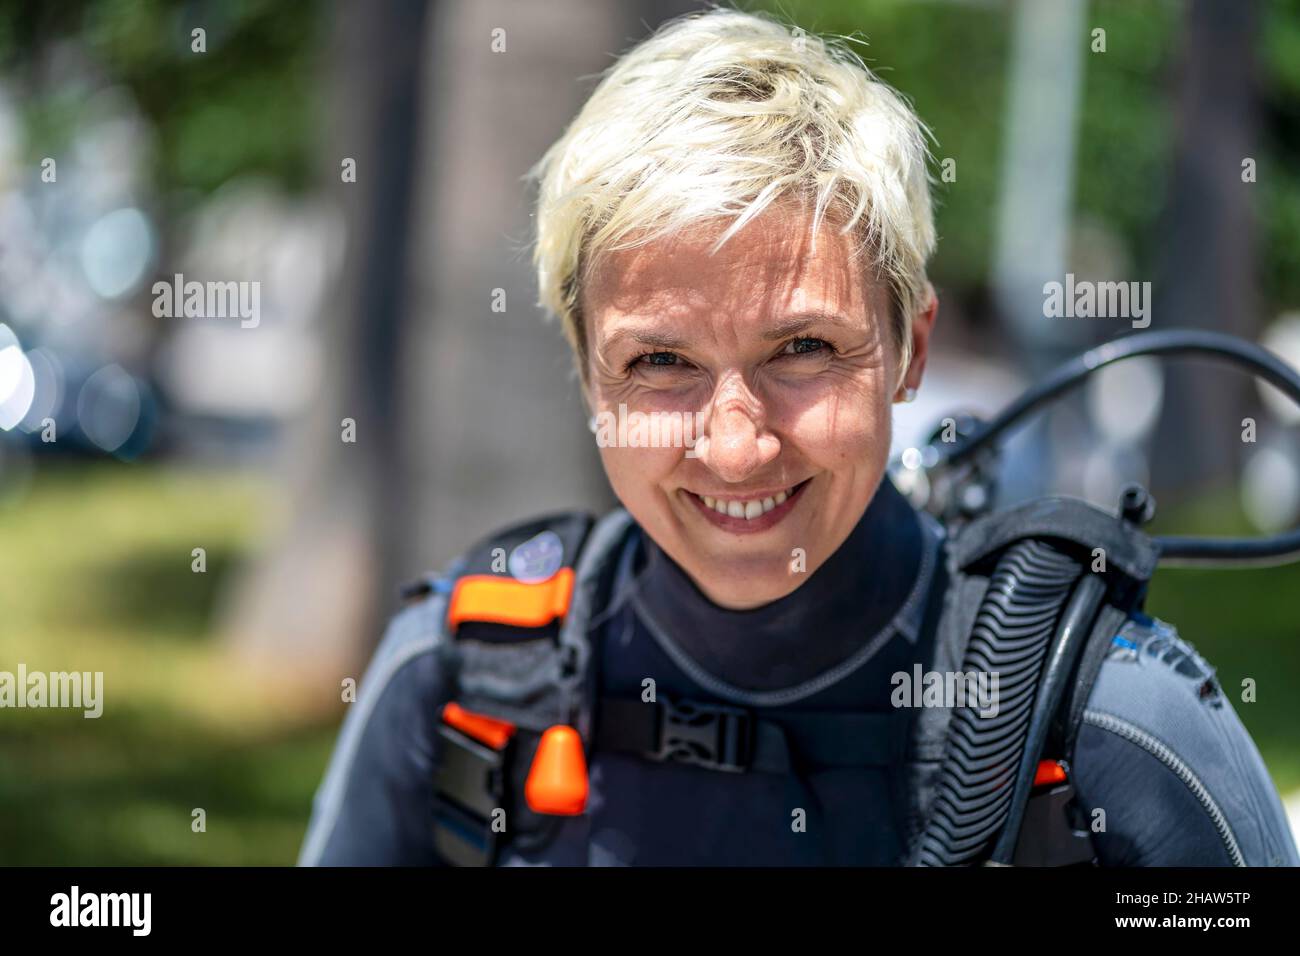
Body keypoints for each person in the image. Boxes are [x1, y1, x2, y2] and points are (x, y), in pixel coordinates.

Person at [298, 7, 1298, 867]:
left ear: (910, 349)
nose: (735, 446)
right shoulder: (460, 675)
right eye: (659, 362)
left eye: (804, 347)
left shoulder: (1106, 720)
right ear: (580, 363)